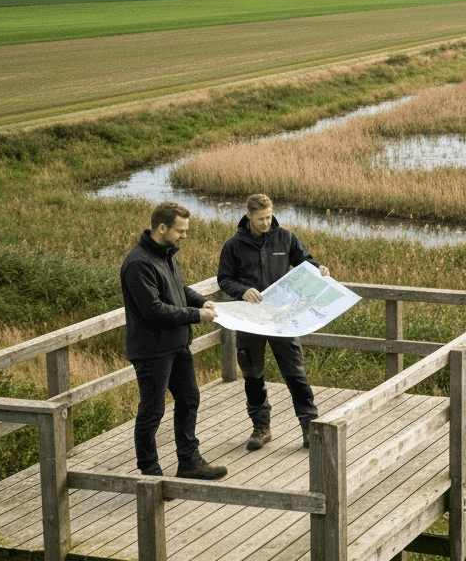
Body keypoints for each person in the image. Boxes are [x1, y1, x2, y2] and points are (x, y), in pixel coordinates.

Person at [121, 201, 227, 480]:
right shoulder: (138, 263)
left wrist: (202, 300)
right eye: (180, 230)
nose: (184, 236)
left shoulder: (166, 254)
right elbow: (153, 310)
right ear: (162, 228)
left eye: (186, 230)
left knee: (189, 399)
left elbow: (177, 289)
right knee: (152, 410)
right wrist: (196, 315)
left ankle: (189, 462)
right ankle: (150, 472)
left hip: (177, 344)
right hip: (151, 349)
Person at [216, 194, 326, 450]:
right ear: (248, 216)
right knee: (253, 376)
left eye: (268, 217)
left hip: (281, 318)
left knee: (295, 374)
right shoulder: (233, 245)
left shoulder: (286, 237)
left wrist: (319, 268)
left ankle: (310, 428)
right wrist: (242, 290)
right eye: (260, 219)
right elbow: (224, 279)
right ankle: (261, 428)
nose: (266, 222)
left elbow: (304, 261)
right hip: (250, 320)